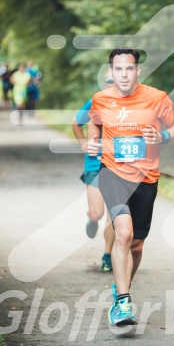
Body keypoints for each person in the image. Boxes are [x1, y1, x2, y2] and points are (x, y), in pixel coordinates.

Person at [86, 48, 174, 326]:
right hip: (112, 173)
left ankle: (122, 284)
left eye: (129, 69)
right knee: (123, 234)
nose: (124, 74)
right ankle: (123, 302)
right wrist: (93, 143)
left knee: (137, 245)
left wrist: (162, 135)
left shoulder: (157, 98)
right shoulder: (100, 99)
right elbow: (94, 125)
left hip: (146, 178)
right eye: (119, 69)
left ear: (138, 71)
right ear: (111, 72)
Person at [72, 75, 116, 272]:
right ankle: (92, 219)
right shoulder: (95, 102)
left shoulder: (130, 106)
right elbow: (76, 123)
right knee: (98, 213)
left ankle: (107, 254)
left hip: (119, 166)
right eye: (109, 82)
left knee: (114, 214)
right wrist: (83, 142)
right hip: (95, 164)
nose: (112, 86)